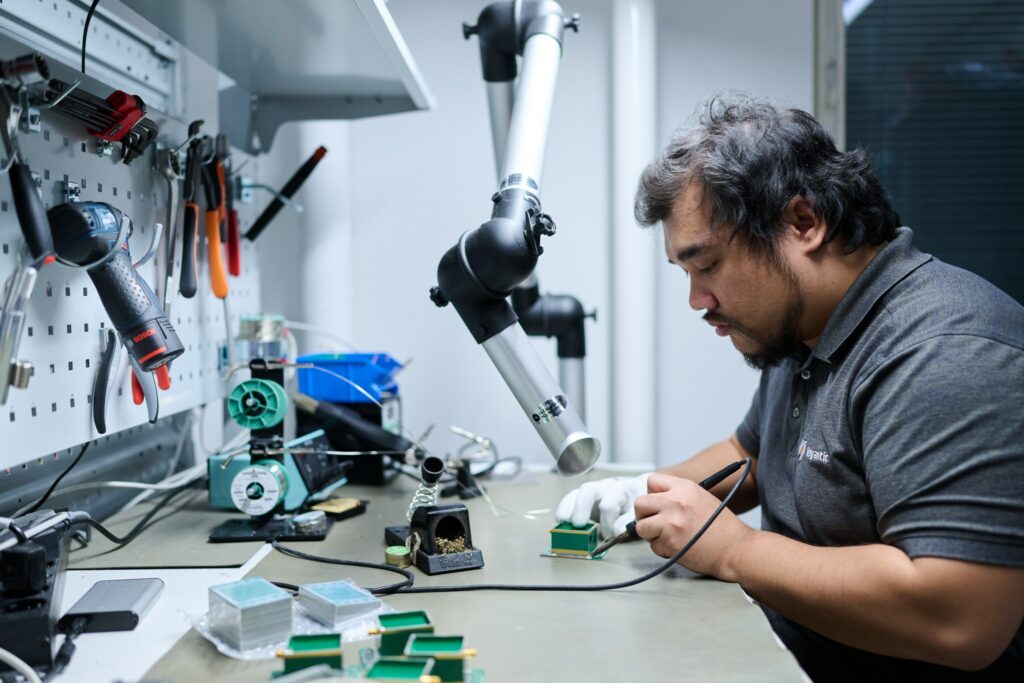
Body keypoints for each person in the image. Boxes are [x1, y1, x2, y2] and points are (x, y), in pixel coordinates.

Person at [556, 97, 1024, 681]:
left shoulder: (945, 355)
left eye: (708, 266)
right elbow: (749, 455)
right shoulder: (803, 326)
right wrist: (644, 490)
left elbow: (961, 616)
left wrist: (734, 550)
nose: (697, 302)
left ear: (803, 223)